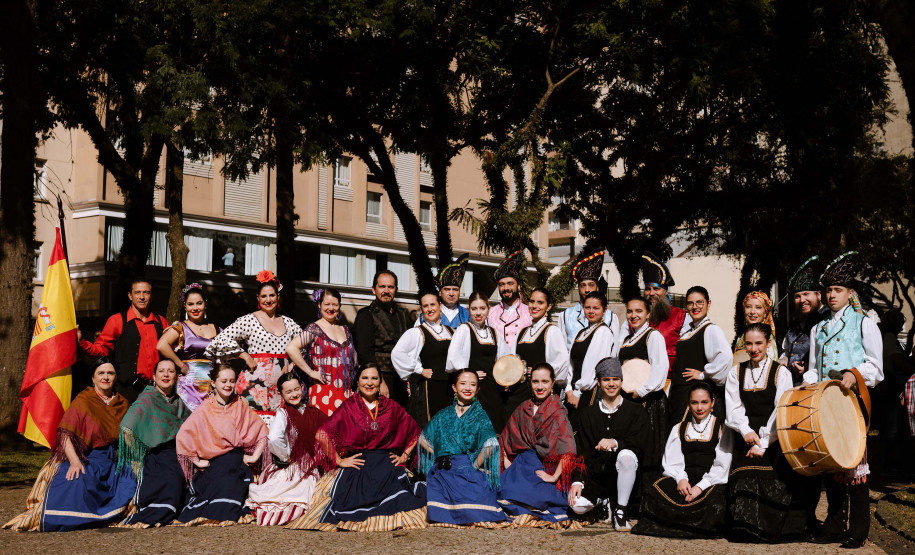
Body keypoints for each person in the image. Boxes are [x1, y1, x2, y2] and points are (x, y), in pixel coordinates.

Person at [804, 252, 883, 549]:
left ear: (850, 293)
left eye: (838, 290)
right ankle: (835, 525)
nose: (832, 295)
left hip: (852, 403)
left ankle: (859, 530)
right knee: (831, 464)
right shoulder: (818, 328)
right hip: (826, 403)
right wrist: (808, 381)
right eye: (829, 290)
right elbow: (814, 367)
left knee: (854, 466)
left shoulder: (864, 323)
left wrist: (854, 372)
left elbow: (876, 367)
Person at [286, 364, 426, 532]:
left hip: (386, 464)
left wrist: (404, 456)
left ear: (380, 382)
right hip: (359, 464)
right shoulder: (349, 407)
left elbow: (415, 432)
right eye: (364, 378)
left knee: (403, 498)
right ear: (358, 381)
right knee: (349, 501)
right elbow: (322, 435)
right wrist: (339, 460)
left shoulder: (391, 407)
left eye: (374, 378)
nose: (369, 383)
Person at [4, 358, 137, 532]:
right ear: (93, 378)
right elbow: (65, 434)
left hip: (110, 459)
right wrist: (75, 462)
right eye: (101, 373)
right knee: (78, 481)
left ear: (116, 377)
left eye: (110, 373)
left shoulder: (122, 403)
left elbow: (127, 437)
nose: (106, 377)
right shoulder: (83, 400)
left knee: (128, 482)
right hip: (85, 456)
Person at [725, 324, 812, 542]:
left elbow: (780, 409)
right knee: (743, 477)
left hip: (773, 437)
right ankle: (744, 529)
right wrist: (746, 432)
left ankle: (770, 529)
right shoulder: (736, 371)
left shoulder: (780, 372)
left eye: (758, 343)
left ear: (768, 344)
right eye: (749, 343)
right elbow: (734, 407)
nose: (753, 348)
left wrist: (763, 441)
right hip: (745, 436)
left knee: (774, 480)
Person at [631, 382, 733, 539]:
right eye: (695, 402)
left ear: (712, 403)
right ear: (688, 404)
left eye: (704, 402)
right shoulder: (679, 428)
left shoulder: (721, 427)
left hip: (710, 481)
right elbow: (672, 462)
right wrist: (681, 480)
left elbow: (721, 466)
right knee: (654, 492)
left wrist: (699, 487)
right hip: (685, 479)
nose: (699, 408)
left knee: (716, 505)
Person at [175, 363, 268, 526]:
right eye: (223, 381)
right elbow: (184, 436)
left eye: (231, 381)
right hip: (213, 462)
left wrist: (255, 456)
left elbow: (261, 431)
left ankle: (224, 509)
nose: (228, 385)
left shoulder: (240, 404)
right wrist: (197, 461)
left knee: (232, 478)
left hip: (235, 459)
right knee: (216, 482)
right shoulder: (205, 409)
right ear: (213, 383)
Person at [205, 270, 302, 423]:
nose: (268, 300)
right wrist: (245, 356)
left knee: (277, 437)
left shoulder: (289, 323)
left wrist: (293, 363)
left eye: (272, 295)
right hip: (253, 388)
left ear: (278, 297)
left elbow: (305, 344)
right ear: (258, 298)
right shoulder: (249, 320)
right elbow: (219, 341)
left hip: (281, 390)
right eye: (264, 296)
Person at [498, 363, 586, 529]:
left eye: (545, 381)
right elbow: (505, 441)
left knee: (532, 495)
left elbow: (568, 449)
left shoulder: (558, 411)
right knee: (502, 491)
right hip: (522, 465)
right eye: (535, 381)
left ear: (553, 383)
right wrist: (509, 467)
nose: (540, 386)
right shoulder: (523, 408)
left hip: (545, 466)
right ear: (530, 383)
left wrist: (553, 477)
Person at [419, 369, 507, 527]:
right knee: (437, 488)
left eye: (473, 384)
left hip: (468, 466)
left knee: (480, 491)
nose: (468, 388)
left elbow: (491, 445)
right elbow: (423, 440)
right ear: (454, 387)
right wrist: (440, 455)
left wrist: (474, 466)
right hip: (445, 468)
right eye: (463, 383)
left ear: (477, 389)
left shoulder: (479, 415)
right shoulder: (444, 414)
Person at [571, 357, 648, 530]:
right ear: (598, 382)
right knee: (575, 504)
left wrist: (616, 442)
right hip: (597, 478)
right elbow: (582, 450)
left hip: (627, 477)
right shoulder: (587, 414)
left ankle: (621, 510)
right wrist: (577, 481)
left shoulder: (636, 411)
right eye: (606, 380)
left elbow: (640, 444)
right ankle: (603, 501)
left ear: (621, 381)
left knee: (626, 456)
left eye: (615, 379)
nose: (611, 384)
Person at [246, 373, 328, 526]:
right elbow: (275, 438)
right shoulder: (283, 413)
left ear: (302, 388)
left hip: (311, 464)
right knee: (294, 494)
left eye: (296, 389)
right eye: (288, 392)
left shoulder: (313, 412)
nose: (294, 394)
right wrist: (286, 457)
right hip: (293, 466)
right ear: (281, 394)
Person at [117, 359, 191, 527]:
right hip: (157, 453)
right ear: (154, 376)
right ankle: (161, 509)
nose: (166, 375)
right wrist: (138, 455)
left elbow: (192, 425)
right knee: (173, 476)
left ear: (177, 377)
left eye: (170, 371)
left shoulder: (177, 401)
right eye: (162, 371)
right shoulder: (147, 398)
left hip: (178, 451)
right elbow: (126, 427)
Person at [77, 278, 169, 403]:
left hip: (156, 389)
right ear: (130, 296)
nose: (142, 297)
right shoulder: (117, 320)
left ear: (151, 295)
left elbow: (170, 353)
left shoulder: (162, 322)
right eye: (137, 292)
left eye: (146, 292)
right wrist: (81, 341)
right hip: (126, 390)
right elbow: (100, 350)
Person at [617, 296, 670, 484]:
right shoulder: (626, 339)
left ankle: (647, 497)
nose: (633, 315)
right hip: (629, 400)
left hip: (648, 401)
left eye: (639, 311)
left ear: (648, 314)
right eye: (630, 311)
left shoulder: (653, 336)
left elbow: (660, 369)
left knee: (649, 447)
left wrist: (641, 390)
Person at [286, 287, 356, 416]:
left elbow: (353, 360)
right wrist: (311, 372)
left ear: (340, 306)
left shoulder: (345, 329)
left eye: (334, 304)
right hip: (324, 390)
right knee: (323, 432)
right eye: (327, 304)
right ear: (319, 305)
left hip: (345, 392)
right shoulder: (314, 329)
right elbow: (291, 348)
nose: (330, 308)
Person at [668, 286, 731, 422]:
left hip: (695, 399)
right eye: (690, 303)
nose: (695, 307)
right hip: (679, 397)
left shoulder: (711, 330)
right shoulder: (688, 331)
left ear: (708, 304)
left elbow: (725, 357)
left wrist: (703, 374)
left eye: (699, 302)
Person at [392, 290, 454, 428]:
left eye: (433, 304)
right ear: (421, 309)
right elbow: (397, 353)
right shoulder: (417, 332)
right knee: (431, 428)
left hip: (449, 388)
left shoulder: (451, 332)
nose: (430, 309)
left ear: (440, 306)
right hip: (429, 389)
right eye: (425, 306)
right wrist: (419, 369)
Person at [157, 283, 221, 411]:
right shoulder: (181, 327)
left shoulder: (217, 329)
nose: (195, 308)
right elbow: (161, 345)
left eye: (199, 303)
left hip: (211, 386)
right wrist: (180, 365)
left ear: (205, 303)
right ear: (185, 306)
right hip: (189, 387)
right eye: (190, 304)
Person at [512, 288, 570, 426]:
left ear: (548, 306)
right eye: (532, 302)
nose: (534, 306)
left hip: (540, 394)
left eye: (540, 302)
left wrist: (540, 373)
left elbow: (561, 364)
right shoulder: (522, 332)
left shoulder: (552, 331)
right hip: (519, 393)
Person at [446, 291, 503, 430]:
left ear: (488, 310)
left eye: (482, 308)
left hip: (493, 389)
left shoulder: (494, 333)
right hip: (472, 390)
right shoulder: (464, 329)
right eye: (474, 309)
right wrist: (471, 374)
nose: (478, 313)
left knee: (494, 426)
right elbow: (453, 359)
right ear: (468, 310)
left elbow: (504, 360)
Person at [353, 270, 411, 406]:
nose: (386, 291)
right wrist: (379, 381)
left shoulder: (402, 315)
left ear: (396, 290)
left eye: (390, 287)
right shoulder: (365, 315)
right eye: (382, 287)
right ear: (373, 290)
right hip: (379, 379)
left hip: (401, 380)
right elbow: (365, 353)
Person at [565, 291, 616, 422]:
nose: (591, 311)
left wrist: (577, 392)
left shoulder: (603, 332)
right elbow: (570, 364)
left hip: (588, 392)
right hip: (573, 391)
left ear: (605, 310)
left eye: (596, 308)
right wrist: (569, 389)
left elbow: (594, 366)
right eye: (587, 307)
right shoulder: (581, 333)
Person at [779, 256, 829, 386]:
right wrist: (784, 359)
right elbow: (786, 350)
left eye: (806, 294)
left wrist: (809, 368)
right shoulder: (794, 324)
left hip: (819, 388)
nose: (802, 300)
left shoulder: (829, 319)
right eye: (797, 296)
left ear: (818, 295)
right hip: (791, 386)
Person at [559, 249, 621, 349]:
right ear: (578, 288)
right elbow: (562, 350)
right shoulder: (566, 316)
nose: (587, 290)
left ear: (597, 287)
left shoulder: (610, 317)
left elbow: (614, 350)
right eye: (583, 285)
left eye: (591, 285)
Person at [641, 252, 689, 371]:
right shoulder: (635, 317)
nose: (651, 293)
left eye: (656, 288)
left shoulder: (682, 317)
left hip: (671, 381)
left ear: (666, 291)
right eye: (648, 289)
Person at [488, 250, 533, 356]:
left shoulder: (529, 312)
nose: (506, 288)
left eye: (510, 283)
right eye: (502, 284)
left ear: (518, 286)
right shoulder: (490, 313)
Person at [418, 254, 470, 328]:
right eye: (447, 289)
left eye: (455, 290)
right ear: (440, 292)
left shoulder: (467, 315)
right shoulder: (425, 315)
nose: (451, 293)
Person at [735, 291, 778, 361]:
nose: (752, 312)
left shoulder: (766, 337)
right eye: (748, 307)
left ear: (765, 313)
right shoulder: (741, 337)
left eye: (758, 307)